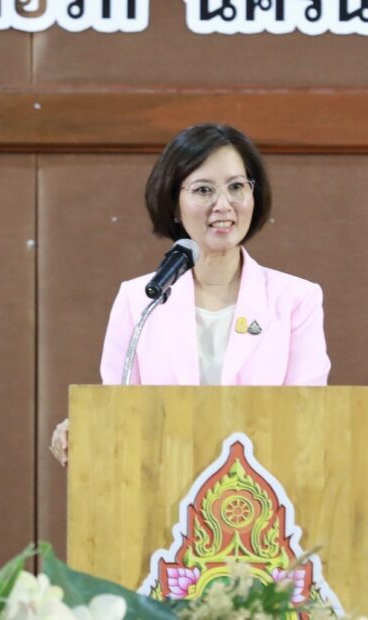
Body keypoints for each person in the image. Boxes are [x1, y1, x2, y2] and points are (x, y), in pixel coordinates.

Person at [50, 123, 330, 464]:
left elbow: (308, 416)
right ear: (173, 204)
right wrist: (87, 428)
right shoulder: (139, 301)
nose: (223, 205)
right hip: (163, 480)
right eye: (203, 190)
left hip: (263, 483)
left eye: (237, 187)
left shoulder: (296, 299)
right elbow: (120, 410)